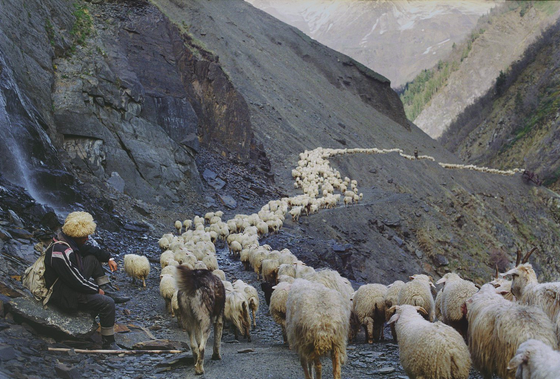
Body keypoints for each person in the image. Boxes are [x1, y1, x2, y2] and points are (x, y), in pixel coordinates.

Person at [43, 211, 130, 349]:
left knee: (92, 259)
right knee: (108, 304)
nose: (87, 238)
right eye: (84, 236)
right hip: (63, 295)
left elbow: (91, 250)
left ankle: (107, 290)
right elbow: (75, 281)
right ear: (76, 235)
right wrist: (96, 290)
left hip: (68, 285)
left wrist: (108, 258)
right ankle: (109, 342)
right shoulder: (60, 252)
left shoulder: (69, 242)